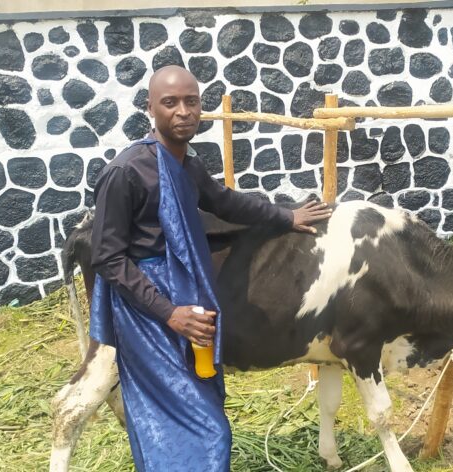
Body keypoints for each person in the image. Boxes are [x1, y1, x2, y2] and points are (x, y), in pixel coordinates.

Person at [86, 65, 332, 471]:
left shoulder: (187, 164)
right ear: (150, 108)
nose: (183, 111)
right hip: (147, 312)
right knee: (204, 428)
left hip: (189, 295)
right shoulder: (126, 172)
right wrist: (169, 313)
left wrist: (286, 217)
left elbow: (225, 202)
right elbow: (108, 258)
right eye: (170, 103)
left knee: (201, 403)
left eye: (191, 101)